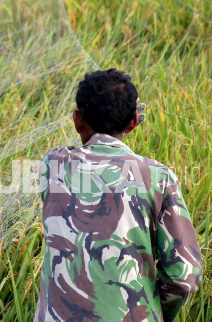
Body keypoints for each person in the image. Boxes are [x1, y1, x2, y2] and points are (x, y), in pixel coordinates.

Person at [36, 69, 202, 322]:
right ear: (135, 121)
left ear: (76, 119)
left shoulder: (53, 165)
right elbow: (184, 276)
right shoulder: (157, 177)